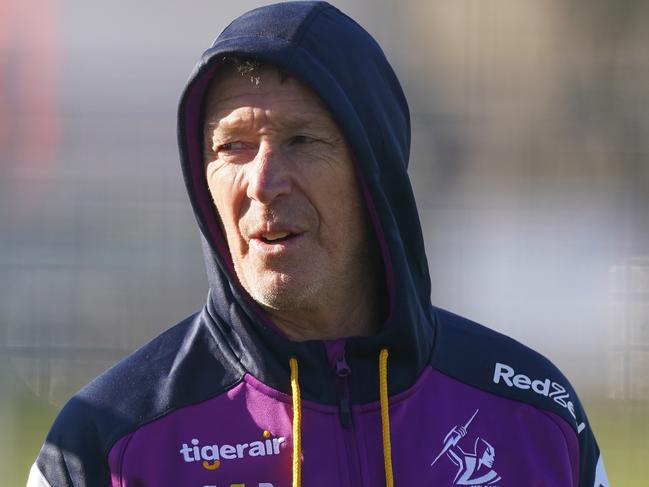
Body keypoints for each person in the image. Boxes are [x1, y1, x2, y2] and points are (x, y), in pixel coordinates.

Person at [28, 2, 610, 486]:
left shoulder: (534, 418)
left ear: (374, 171)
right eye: (232, 146)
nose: (263, 181)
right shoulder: (107, 444)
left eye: (302, 140)